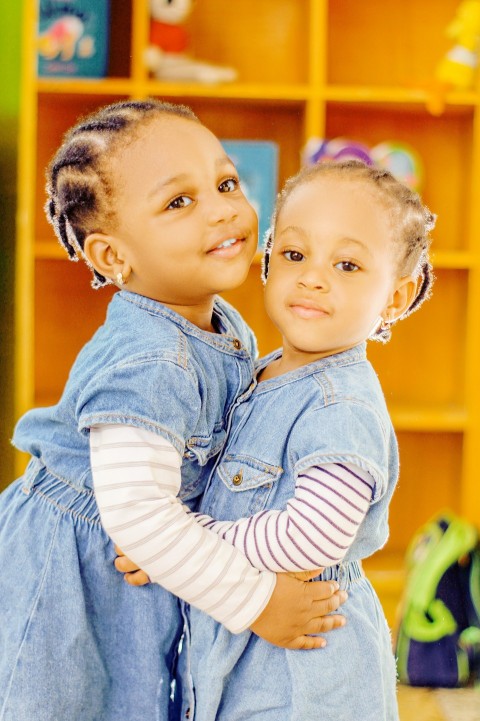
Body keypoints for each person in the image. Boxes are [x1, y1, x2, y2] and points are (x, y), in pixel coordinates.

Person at [0, 99, 345, 721]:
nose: (222, 209)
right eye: (178, 202)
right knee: (60, 701)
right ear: (112, 257)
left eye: (226, 182)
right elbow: (137, 514)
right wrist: (258, 602)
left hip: (142, 553)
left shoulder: (218, 318)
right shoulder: (150, 360)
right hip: (66, 578)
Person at [118, 159, 435, 720]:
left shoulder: (342, 405)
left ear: (396, 297)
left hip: (304, 678)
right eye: (294, 255)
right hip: (240, 660)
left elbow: (312, 537)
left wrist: (179, 545)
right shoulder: (257, 374)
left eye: (347, 264)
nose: (313, 277)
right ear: (266, 262)